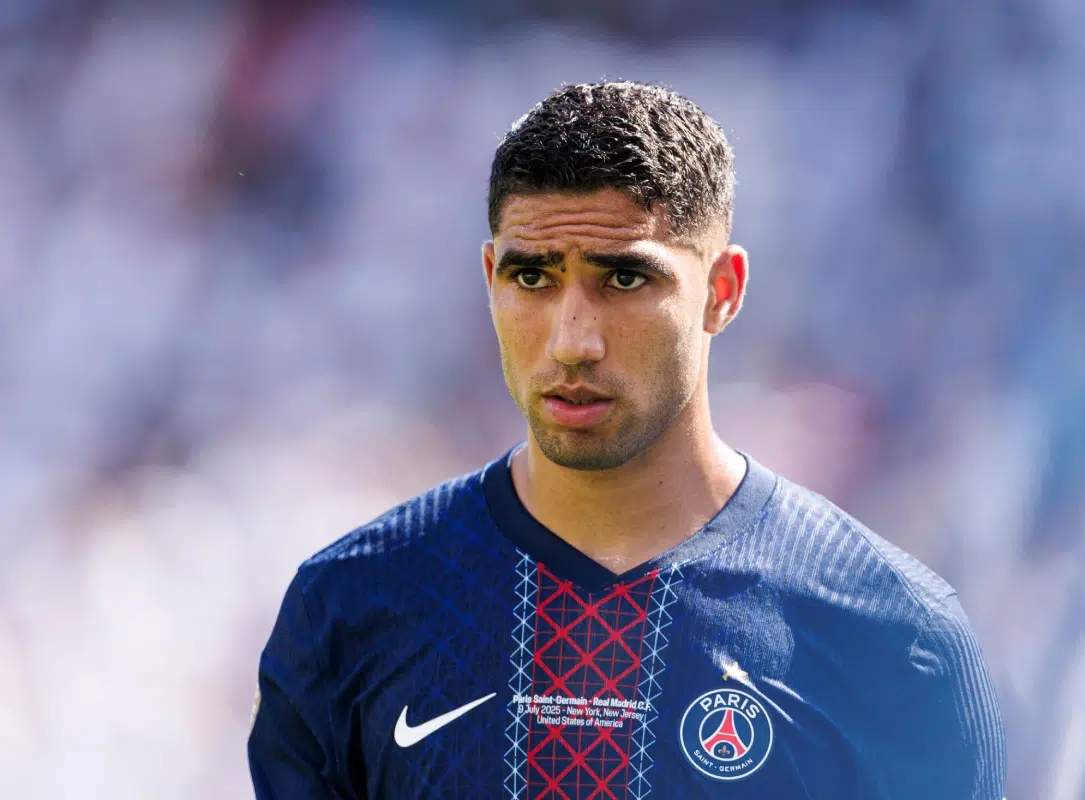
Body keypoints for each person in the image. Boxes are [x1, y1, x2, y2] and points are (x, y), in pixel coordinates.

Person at [248, 81, 1006, 799]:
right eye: (533, 278)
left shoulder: (894, 636)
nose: (572, 340)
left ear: (723, 291)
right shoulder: (350, 605)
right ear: (490, 277)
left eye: (625, 280)